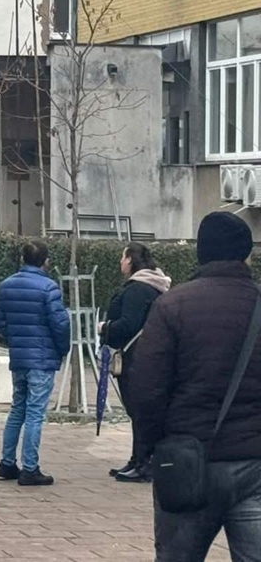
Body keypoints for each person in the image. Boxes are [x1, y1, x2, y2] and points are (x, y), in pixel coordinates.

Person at [131, 211, 261, 560]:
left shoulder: (172, 305)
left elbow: (146, 389)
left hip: (187, 460)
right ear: (246, 255)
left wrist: (154, 445)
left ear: (200, 254)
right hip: (254, 463)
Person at [0, 239, 70, 487]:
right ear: (46, 261)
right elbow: (60, 324)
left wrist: (15, 339)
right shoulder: (49, 288)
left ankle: (7, 462)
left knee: (18, 409)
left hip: (20, 355)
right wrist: (62, 349)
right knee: (35, 412)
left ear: (22, 259)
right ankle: (30, 467)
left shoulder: (6, 286)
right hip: (42, 356)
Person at [101, 241, 170, 483]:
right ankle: (137, 459)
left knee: (139, 411)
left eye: (122, 257)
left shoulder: (137, 289)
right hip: (147, 356)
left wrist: (105, 327)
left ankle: (143, 463)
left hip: (136, 358)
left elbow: (129, 324)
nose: (120, 262)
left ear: (130, 259)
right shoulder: (152, 286)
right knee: (139, 411)